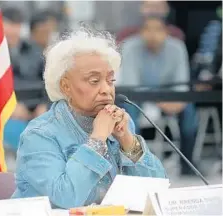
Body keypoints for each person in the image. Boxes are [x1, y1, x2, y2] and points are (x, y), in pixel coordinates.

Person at [11, 29, 166, 208]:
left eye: (110, 81)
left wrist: (128, 141)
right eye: (94, 81)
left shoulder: (120, 124)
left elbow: (157, 192)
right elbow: (66, 198)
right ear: (65, 86)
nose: (106, 90)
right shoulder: (39, 135)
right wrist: (97, 139)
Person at [117, 14, 198, 176]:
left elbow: (182, 82)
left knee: (189, 110)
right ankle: (135, 166)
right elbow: (131, 86)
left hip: (169, 97)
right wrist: (159, 100)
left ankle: (187, 163)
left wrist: (176, 99)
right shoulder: (130, 48)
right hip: (137, 98)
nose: (153, 34)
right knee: (129, 115)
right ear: (140, 32)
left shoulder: (177, 48)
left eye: (158, 30)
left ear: (166, 32)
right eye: (148, 29)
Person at [4, 10, 59, 151]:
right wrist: (10, 106)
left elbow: (49, 81)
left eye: (16, 25)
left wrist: (44, 105)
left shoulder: (34, 50)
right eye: (9, 24)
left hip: (37, 108)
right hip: (10, 110)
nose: (13, 30)